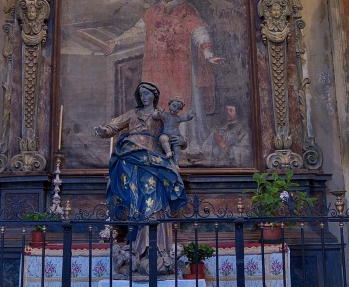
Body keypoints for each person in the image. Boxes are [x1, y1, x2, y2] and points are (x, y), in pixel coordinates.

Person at [103, 0, 224, 138]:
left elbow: (199, 32)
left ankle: (181, 142)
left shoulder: (187, 11)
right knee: (155, 102)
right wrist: (117, 41)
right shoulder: (154, 10)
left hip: (179, 68)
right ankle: (155, 139)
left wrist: (208, 54)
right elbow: (138, 31)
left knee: (180, 101)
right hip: (156, 68)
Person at [94, 82, 187, 258]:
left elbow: (175, 133)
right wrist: (103, 131)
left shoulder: (161, 115)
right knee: (137, 200)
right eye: (141, 94)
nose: (143, 97)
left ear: (154, 95)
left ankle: (157, 245)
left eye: (146, 93)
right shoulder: (133, 114)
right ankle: (139, 244)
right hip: (132, 157)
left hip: (153, 158)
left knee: (156, 199)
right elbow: (114, 126)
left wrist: (181, 142)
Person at [196, 102, 252, 167]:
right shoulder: (218, 129)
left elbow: (245, 153)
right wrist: (213, 150)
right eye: (226, 110)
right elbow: (206, 145)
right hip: (216, 166)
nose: (227, 113)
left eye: (231, 110)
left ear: (238, 114)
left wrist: (224, 146)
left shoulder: (243, 130)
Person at [155, 97, 194, 163]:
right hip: (166, 135)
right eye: (173, 106)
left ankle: (176, 163)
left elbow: (186, 118)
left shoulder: (178, 118)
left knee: (177, 150)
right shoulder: (165, 115)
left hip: (176, 137)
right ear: (169, 104)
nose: (175, 109)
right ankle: (168, 152)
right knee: (163, 139)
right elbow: (156, 116)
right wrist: (159, 114)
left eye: (178, 108)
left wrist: (189, 117)